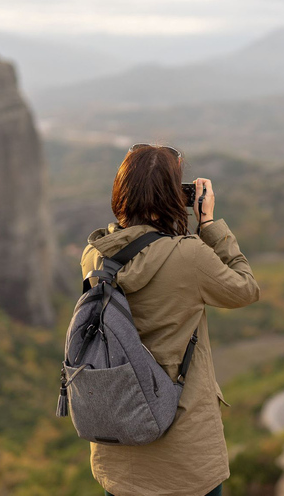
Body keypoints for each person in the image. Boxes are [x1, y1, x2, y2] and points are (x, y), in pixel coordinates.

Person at [80, 144, 260, 496]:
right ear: (173, 197)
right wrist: (208, 224)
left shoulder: (94, 256)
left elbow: (136, 246)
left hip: (121, 456)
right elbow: (246, 289)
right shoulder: (188, 256)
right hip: (185, 458)